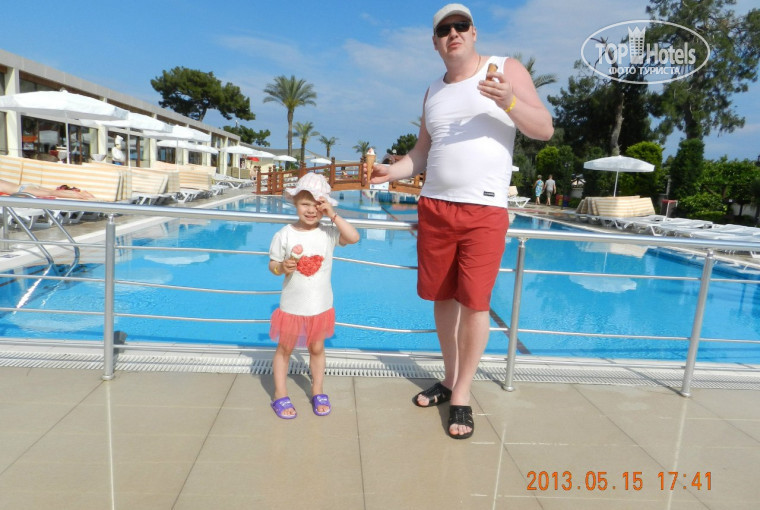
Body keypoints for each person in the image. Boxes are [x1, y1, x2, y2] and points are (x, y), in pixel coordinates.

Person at [368, 3, 553, 439]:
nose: (453, 33)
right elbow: (421, 153)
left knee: (474, 303)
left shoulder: (504, 69)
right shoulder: (433, 91)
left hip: (484, 210)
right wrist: (390, 172)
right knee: (443, 298)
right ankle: (450, 379)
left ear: (473, 33)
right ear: (435, 43)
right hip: (435, 207)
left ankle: (463, 396)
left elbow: (544, 128)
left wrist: (508, 100)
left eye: (461, 26)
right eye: (444, 29)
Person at [268, 172, 360, 419]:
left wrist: (333, 215)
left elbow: (354, 237)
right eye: (305, 204)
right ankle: (279, 393)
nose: (310, 210)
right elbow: (273, 264)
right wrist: (281, 267)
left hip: (320, 307)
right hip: (292, 307)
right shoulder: (285, 234)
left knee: (317, 349)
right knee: (284, 348)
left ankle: (317, 389)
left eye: (316, 205)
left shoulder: (328, 232)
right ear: (295, 203)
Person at [0, 179, 95, 199]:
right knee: (53, 192)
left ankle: (80, 196)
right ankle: (83, 194)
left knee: (53, 193)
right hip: (25, 186)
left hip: (23, 190)